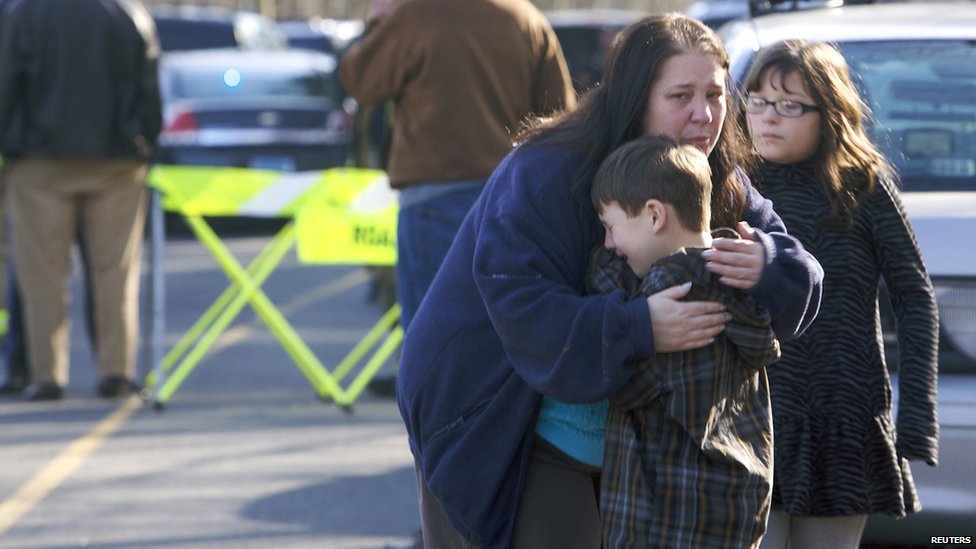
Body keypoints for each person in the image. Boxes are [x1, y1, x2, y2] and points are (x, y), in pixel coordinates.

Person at [396, 13, 823, 548]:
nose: (705, 114)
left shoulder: (710, 172)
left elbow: (803, 277)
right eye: (681, 96)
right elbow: (521, 302)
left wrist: (769, 263)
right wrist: (640, 327)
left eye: (715, 94)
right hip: (486, 411)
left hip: (619, 437)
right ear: (635, 98)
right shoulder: (548, 169)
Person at [742, 39, 940, 549]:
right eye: (758, 101)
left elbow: (914, 296)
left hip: (845, 421)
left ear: (830, 114)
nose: (768, 117)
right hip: (755, 417)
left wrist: (917, 416)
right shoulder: (734, 187)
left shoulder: (863, 186)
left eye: (790, 105)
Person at [338, 0, 576, 338]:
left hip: (434, 203)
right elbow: (562, 121)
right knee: (505, 339)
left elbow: (360, 78)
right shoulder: (526, 18)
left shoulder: (417, 14)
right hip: (512, 205)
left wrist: (380, 19)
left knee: (432, 344)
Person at [590, 135, 780, 548]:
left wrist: (608, 293)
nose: (609, 244)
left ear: (654, 216)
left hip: (669, 518)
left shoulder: (674, 287)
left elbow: (623, 386)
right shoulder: (737, 281)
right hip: (734, 507)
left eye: (610, 227)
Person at [0, 0, 162, 401]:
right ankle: (116, 372)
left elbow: (7, 82)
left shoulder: (25, 13)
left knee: (42, 273)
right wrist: (145, 141)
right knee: (116, 271)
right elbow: (149, 85)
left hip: (40, 160)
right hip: (117, 160)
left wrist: (10, 145)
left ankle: (46, 375)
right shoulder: (129, 13)